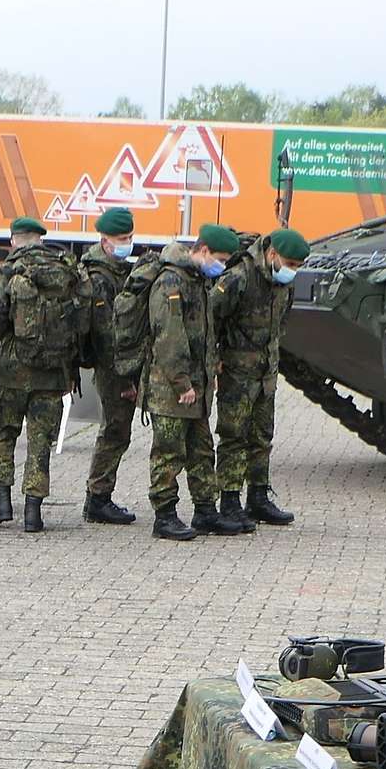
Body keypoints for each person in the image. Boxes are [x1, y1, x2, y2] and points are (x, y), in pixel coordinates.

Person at [0, 215, 78, 532]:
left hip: (13, 368)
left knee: (3, 432)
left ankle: (1, 503)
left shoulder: (10, 270)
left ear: (14, 240)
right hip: (52, 371)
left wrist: (9, 335)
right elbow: (82, 314)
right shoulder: (63, 269)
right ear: (40, 239)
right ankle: (33, 512)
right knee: (40, 440)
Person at [144, 224, 237, 542]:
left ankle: (205, 510)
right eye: (220, 259)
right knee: (169, 451)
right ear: (203, 250)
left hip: (196, 385)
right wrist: (182, 383)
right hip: (172, 386)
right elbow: (170, 338)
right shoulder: (172, 281)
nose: (221, 266)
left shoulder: (196, 280)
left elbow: (203, 333)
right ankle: (165, 516)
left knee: (201, 449)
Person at [210, 227, 306, 529]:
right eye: (290, 264)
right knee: (233, 436)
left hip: (266, 373)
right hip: (237, 371)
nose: (292, 271)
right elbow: (210, 318)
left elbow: (280, 326)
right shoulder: (239, 277)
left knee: (262, 436)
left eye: (297, 267)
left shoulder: (282, 284)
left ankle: (258, 497)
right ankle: (228, 499)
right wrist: (214, 361)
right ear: (272, 254)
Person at [76, 207, 145, 525]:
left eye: (129, 237)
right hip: (113, 366)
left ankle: (99, 496)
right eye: (121, 239)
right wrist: (126, 378)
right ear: (104, 240)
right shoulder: (99, 276)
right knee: (115, 430)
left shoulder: (118, 269)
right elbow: (108, 334)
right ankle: (98, 498)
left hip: (123, 362)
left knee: (118, 430)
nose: (126, 243)